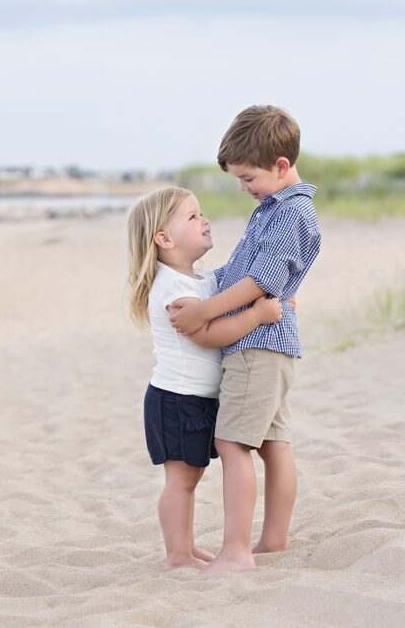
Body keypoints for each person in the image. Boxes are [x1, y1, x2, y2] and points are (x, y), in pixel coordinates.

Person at [168, 105, 322, 574]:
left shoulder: (290, 212)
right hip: (272, 341)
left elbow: (261, 280)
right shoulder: (273, 208)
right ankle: (272, 539)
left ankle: (235, 549)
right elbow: (242, 272)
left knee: (232, 442)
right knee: (275, 443)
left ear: (280, 166)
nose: (244, 187)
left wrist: (203, 312)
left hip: (258, 344)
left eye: (248, 177)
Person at [126, 187, 284, 571]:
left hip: (195, 398)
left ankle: (186, 547)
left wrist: (275, 300)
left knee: (191, 478)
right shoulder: (172, 288)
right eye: (193, 217)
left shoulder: (199, 279)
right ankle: (177, 555)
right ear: (164, 239)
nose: (205, 220)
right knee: (180, 482)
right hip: (175, 398)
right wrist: (259, 316)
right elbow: (207, 334)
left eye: (202, 213)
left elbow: (229, 301)